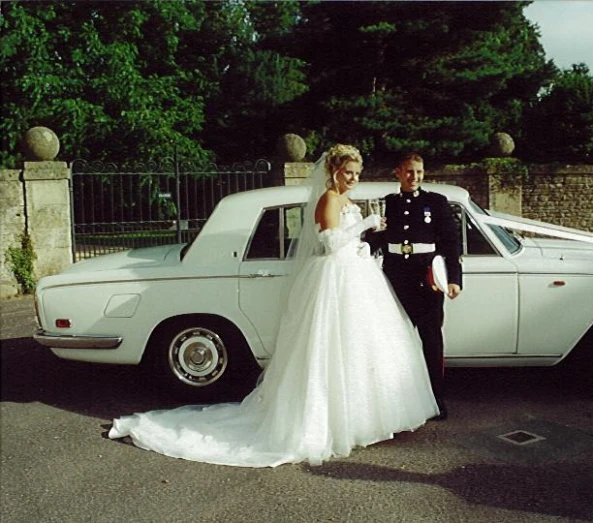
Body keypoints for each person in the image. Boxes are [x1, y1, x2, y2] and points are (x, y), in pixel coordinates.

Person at [108, 144, 439, 467]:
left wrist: (366, 239)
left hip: (356, 276)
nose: (352, 178)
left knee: (358, 348)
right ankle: (331, 423)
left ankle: (362, 420)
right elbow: (329, 242)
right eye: (347, 172)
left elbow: (347, 240)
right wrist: (366, 225)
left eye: (356, 173)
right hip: (334, 279)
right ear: (333, 171)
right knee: (330, 349)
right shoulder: (328, 198)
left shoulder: (344, 199)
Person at [369, 152, 462, 421]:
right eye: (409, 171)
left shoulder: (436, 202)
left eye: (419, 172)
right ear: (398, 172)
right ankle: (398, 400)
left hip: (426, 279)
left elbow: (450, 242)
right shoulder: (389, 203)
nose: (415, 177)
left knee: (431, 340)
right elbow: (383, 238)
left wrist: (454, 278)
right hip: (396, 278)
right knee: (396, 340)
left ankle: (436, 399)